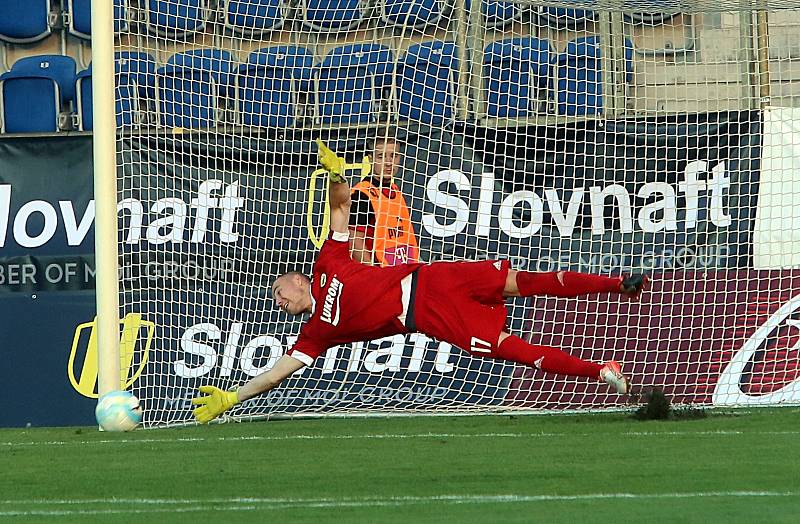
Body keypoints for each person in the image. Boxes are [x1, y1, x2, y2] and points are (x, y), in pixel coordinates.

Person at [191, 140, 649, 423]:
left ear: (295, 279)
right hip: (429, 315)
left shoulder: (328, 260)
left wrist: (336, 176)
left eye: (278, 292)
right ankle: (602, 372)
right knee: (512, 349)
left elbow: (340, 209)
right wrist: (234, 396)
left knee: (522, 280)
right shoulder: (315, 333)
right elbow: (277, 373)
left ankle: (616, 283)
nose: (279, 302)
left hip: (433, 276)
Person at [349, 128, 418, 266]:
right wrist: (374, 276)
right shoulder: (362, 194)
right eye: (381, 156)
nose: (388, 162)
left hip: (404, 272)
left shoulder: (396, 191)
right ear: (370, 158)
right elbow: (354, 241)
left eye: (394, 156)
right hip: (381, 277)